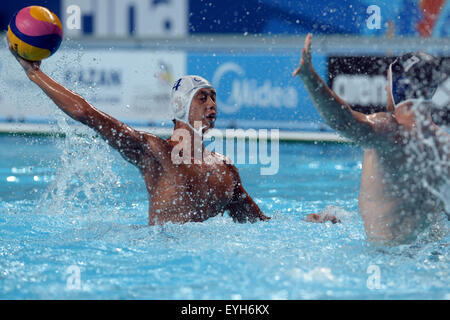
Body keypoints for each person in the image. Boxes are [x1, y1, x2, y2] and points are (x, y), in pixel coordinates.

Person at [8, 42, 270, 225]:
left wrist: (309, 222)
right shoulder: (155, 152)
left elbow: (259, 226)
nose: (212, 104)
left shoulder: (225, 169)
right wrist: (34, 73)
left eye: (214, 98)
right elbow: (85, 113)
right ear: (180, 106)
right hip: (160, 262)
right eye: (202, 98)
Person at [293, 34, 449, 245]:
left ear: (398, 86)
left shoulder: (391, 130)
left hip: (386, 260)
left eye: (388, 82)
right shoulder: (443, 144)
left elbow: (343, 121)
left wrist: (310, 78)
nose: (385, 89)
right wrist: (346, 220)